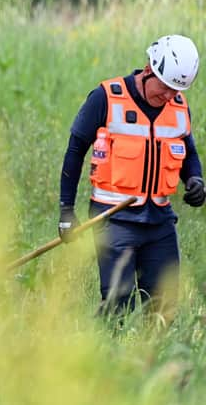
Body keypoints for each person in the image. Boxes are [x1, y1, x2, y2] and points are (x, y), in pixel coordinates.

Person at [58, 35, 205, 319]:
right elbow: (75, 151)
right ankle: (110, 358)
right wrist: (66, 210)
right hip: (113, 219)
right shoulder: (106, 97)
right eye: (163, 87)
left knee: (163, 306)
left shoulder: (178, 107)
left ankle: (153, 362)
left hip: (160, 222)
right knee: (118, 304)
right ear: (149, 67)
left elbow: (189, 153)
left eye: (174, 90)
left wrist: (196, 180)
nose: (166, 96)